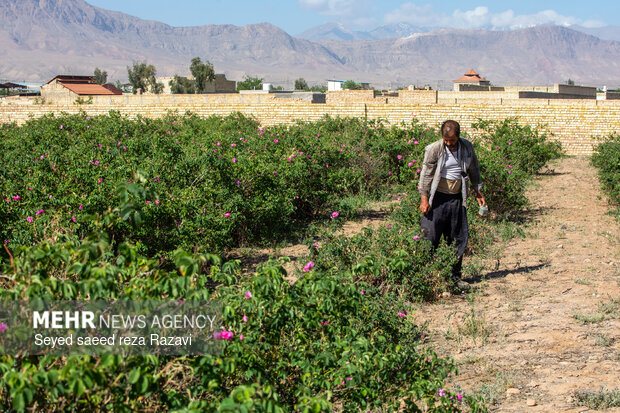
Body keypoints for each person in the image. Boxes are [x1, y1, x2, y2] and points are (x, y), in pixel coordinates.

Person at [418, 120, 485, 291]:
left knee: (457, 237)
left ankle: (454, 278)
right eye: (446, 140)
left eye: (452, 141)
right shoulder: (434, 149)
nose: (449, 144)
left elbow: (474, 169)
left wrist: (478, 192)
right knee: (429, 236)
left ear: (458, 136)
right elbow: (426, 174)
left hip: (457, 198)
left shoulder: (467, 147)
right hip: (437, 198)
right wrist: (424, 199)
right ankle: (424, 276)